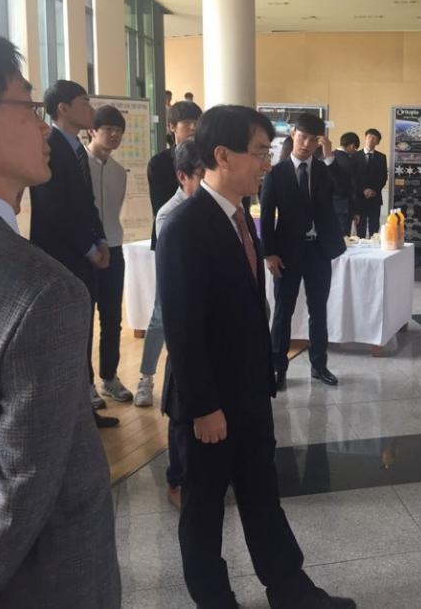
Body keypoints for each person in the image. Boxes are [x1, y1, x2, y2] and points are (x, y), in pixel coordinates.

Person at [0, 27, 120, 607]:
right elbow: (20, 490)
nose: (44, 127)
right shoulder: (41, 290)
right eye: (28, 107)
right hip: (37, 586)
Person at [156, 105, 355, 609]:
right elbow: (182, 329)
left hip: (249, 391)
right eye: (260, 152)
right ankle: (214, 599)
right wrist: (204, 407)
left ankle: (290, 589)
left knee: (262, 495)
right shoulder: (185, 226)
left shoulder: (241, 216)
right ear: (222, 155)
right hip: (209, 404)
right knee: (204, 510)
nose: (267, 163)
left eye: (268, 151)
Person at [29, 79, 118, 428]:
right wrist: (88, 247)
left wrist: (101, 240)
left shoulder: (75, 147)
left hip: (83, 254)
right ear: (62, 109)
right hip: (61, 256)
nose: (91, 109)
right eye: (84, 102)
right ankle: (73, 415)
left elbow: (85, 203)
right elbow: (54, 207)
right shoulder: (49, 145)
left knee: (82, 330)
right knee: (67, 335)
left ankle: (84, 409)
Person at [261, 113, 346, 390]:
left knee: (318, 310)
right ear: (293, 134)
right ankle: (278, 368)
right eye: (303, 136)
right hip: (286, 254)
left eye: (313, 139)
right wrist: (269, 253)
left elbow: (346, 190)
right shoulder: (276, 173)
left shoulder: (324, 170)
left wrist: (330, 157)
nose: (307, 143)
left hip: (318, 251)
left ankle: (319, 366)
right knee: (283, 312)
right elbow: (266, 216)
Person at [152, 139, 206, 505]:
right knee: (183, 409)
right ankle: (178, 480)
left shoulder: (211, 210)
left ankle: (199, 475)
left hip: (207, 325)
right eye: (201, 175)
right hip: (185, 325)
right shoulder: (171, 216)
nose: (207, 181)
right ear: (182, 176)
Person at [86, 104, 133, 404]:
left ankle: (109, 377)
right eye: (108, 130)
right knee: (85, 319)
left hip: (114, 248)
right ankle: (86, 384)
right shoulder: (79, 166)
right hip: (85, 251)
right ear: (92, 131)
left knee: (112, 317)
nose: (114, 135)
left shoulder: (118, 172)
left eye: (119, 131)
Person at [147, 100, 202, 248]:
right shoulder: (158, 163)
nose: (193, 127)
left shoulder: (207, 158)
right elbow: (159, 205)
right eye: (187, 122)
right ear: (172, 126)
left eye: (197, 123)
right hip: (170, 229)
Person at [352, 127, 387, 237]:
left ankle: (374, 245)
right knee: (360, 226)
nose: (371, 139)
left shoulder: (381, 157)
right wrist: (363, 190)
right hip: (359, 197)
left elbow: (383, 177)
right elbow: (353, 177)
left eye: (374, 138)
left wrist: (374, 190)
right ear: (365, 138)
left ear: (378, 142)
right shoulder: (355, 156)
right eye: (369, 137)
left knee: (374, 227)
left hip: (375, 197)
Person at [323, 134, 358, 237]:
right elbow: (352, 186)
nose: (354, 151)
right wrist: (356, 209)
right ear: (352, 145)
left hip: (330, 203)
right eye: (355, 148)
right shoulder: (349, 161)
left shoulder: (331, 156)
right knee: (343, 236)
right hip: (345, 205)